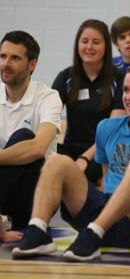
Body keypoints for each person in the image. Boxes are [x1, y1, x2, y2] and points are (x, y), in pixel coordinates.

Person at [12, 63, 130, 262]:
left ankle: (94, 232)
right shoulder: (107, 127)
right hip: (109, 217)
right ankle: (38, 230)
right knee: (57, 161)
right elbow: (107, 179)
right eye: (126, 90)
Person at [0, 31, 62, 229]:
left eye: (15, 58)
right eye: (3, 56)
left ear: (32, 65)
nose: (6, 63)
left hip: (38, 193)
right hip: (5, 193)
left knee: (24, 137)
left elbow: (37, 147)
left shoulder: (49, 97)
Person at [52, 19, 125, 186]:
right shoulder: (65, 77)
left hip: (102, 152)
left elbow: (112, 131)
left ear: (106, 46)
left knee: (85, 172)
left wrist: (84, 158)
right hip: (70, 150)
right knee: (41, 159)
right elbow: (49, 117)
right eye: (84, 41)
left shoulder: (119, 78)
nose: (89, 47)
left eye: (96, 42)